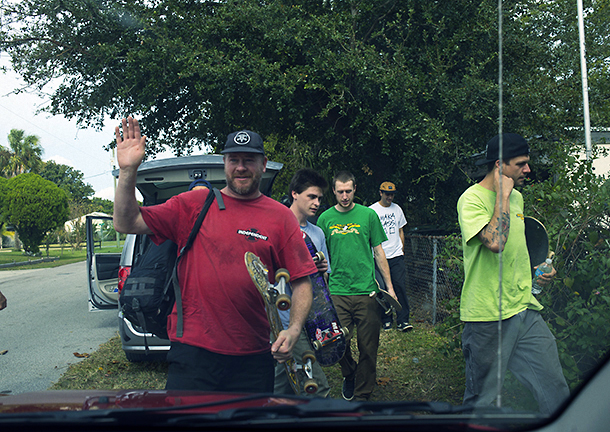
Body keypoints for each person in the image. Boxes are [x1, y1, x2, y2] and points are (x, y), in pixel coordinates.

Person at [113, 117, 316, 393]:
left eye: (249, 159)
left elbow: (302, 280)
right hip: (194, 355)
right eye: (234, 159)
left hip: (253, 356)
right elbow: (126, 222)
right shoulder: (194, 205)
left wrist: (293, 330)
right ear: (224, 163)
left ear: (263, 165)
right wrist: (127, 172)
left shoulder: (280, 217)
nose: (241, 167)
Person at [457, 133, 570, 415]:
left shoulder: (517, 198)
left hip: (524, 310)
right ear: (499, 166)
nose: (527, 170)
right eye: (520, 164)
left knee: (554, 388)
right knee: (481, 401)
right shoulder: (471, 200)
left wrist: (541, 270)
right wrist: (502, 196)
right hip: (486, 317)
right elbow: (496, 242)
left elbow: (517, 249)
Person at [317, 171, 397, 401]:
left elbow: (379, 252)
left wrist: (389, 288)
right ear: (333, 191)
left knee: (368, 348)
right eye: (340, 191)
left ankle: (362, 395)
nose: (344, 196)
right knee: (337, 343)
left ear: (355, 190)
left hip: (367, 291)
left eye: (348, 191)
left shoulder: (368, 215)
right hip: (338, 292)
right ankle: (349, 372)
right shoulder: (325, 219)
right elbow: (322, 256)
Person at [274, 168, 332, 397]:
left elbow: (322, 283)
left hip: (311, 320)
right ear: (294, 193)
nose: (317, 203)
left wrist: (322, 270)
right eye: (311, 196)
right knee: (317, 387)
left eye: (319, 198)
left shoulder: (317, 234)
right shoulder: (275, 227)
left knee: (282, 385)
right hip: (282, 322)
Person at [369, 182, 413, 332]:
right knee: (382, 290)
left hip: (396, 256)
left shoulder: (397, 209)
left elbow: (401, 230)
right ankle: (386, 319)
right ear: (380, 193)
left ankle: (403, 321)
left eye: (392, 194)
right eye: (387, 194)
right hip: (379, 256)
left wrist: (401, 248)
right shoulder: (372, 211)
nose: (390, 197)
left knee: (399, 286)